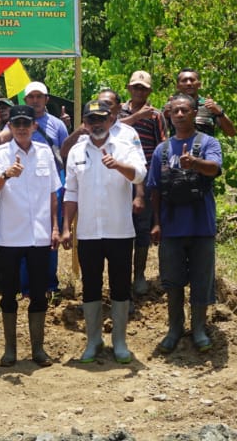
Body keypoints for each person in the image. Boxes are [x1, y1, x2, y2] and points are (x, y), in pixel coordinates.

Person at [61, 99, 146, 364]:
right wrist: (66, 227)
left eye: (101, 119)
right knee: (90, 286)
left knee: (121, 286)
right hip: (87, 232)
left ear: (111, 120)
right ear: (84, 123)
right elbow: (71, 191)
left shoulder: (125, 145)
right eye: (91, 120)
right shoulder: (76, 151)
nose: (96, 124)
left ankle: (120, 342)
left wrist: (118, 165)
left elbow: (140, 175)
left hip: (119, 230)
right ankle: (93, 340)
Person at [149, 93, 224, 353]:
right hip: (171, 228)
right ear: (169, 115)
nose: (179, 115)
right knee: (173, 281)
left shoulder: (209, 143)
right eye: (175, 111)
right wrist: (156, 224)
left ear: (194, 113)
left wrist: (195, 163)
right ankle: (175, 328)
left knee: (202, 280)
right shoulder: (162, 149)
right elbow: (155, 189)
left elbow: (214, 168)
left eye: (185, 110)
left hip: (201, 225)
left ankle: (199, 328)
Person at [0, 104, 60, 366]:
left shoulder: (45, 153)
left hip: (40, 236)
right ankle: (10, 351)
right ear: (10, 127)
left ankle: (38, 350)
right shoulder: (0, 153)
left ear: (34, 126)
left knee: (39, 293)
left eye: (25, 124)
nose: (20, 128)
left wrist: (54, 227)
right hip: (9, 236)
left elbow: (53, 193)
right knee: (8, 294)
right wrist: (7, 174)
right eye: (15, 124)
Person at [119, 71, 166, 295]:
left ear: (149, 91)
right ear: (129, 88)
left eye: (143, 88)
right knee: (120, 227)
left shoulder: (156, 116)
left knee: (142, 227)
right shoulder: (117, 111)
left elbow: (162, 146)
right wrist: (136, 118)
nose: (139, 91)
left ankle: (138, 275)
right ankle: (121, 275)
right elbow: (111, 129)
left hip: (144, 177)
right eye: (136, 87)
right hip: (117, 175)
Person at [170, 69, 236, 137]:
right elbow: (160, 132)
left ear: (199, 84)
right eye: (184, 80)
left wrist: (219, 113)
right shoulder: (171, 106)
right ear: (177, 86)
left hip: (205, 147)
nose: (189, 83)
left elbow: (231, 133)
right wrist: (165, 114)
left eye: (192, 80)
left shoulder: (209, 106)